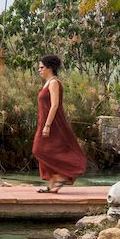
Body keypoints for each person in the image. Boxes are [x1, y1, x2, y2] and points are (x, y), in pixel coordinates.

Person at [33, 54, 87, 192]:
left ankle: (61, 177)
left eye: (41, 67)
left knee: (38, 149)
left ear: (49, 68)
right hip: (44, 122)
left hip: (53, 123)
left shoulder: (54, 83)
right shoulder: (47, 83)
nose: (39, 70)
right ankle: (53, 184)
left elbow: (55, 105)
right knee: (45, 150)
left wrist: (47, 125)